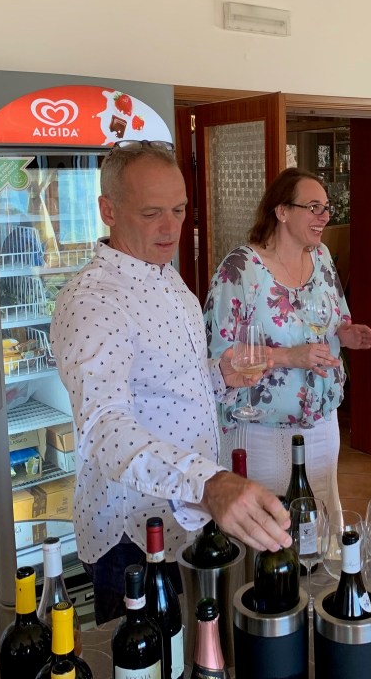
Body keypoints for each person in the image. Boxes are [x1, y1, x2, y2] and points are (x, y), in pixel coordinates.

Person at [50, 140, 291, 624]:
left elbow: (165, 386)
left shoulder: (167, 277)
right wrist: (209, 483)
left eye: (179, 210)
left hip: (185, 515)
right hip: (132, 537)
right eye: (152, 213)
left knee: (195, 646)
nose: (171, 227)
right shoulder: (92, 301)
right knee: (145, 656)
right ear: (108, 210)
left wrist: (218, 376)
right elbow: (103, 428)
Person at [203, 168, 371, 514]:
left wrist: (345, 333)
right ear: (282, 211)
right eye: (313, 207)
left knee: (319, 526)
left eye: (326, 208)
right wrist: (289, 357)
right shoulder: (240, 269)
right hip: (262, 431)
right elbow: (218, 359)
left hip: (323, 425)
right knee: (271, 528)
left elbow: (335, 317)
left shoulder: (321, 257)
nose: (324, 216)